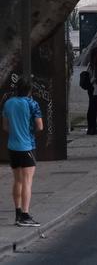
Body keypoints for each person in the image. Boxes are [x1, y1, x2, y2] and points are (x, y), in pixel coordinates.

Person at [3, 79, 43, 227]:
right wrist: (29, 132)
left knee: (17, 180)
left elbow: (5, 126)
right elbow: (40, 126)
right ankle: (25, 215)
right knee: (27, 181)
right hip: (27, 146)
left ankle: (18, 212)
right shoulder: (32, 104)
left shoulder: (8, 103)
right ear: (30, 91)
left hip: (12, 146)